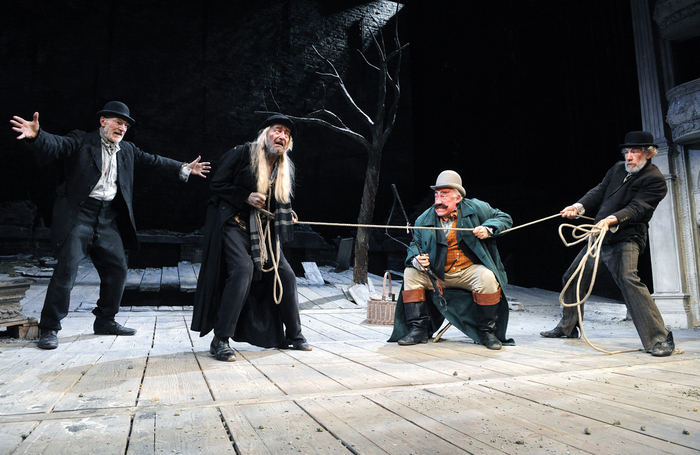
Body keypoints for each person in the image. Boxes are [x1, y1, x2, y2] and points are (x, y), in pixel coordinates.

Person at [10, 101, 210, 350]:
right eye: (118, 122)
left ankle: (105, 320)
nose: (122, 128)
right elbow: (57, 145)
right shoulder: (82, 141)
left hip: (106, 218)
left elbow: (153, 160)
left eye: (125, 125)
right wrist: (38, 135)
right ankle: (49, 328)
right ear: (103, 121)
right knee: (67, 271)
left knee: (118, 268)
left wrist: (183, 168)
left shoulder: (126, 150)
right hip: (79, 214)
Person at [540, 131, 675, 357]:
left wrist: (612, 219)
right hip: (599, 237)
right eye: (627, 152)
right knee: (573, 277)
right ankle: (568, 328)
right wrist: (578, 207)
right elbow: (599, 191)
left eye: (635, 152)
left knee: (628, 280)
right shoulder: (617, 169)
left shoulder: (655, 180)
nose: (629, 157)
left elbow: (638, 208)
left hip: (626, 238)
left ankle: (659, 339)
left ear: (649, 154)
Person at [190, 114, 310, 362]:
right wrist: (245, 196)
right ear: (265, 133)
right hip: (233, 223)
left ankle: (294, 335)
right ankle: (220, 339)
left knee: (286, 275)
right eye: (278, 130)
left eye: (287, 134)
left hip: (263, 230)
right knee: (243, 269)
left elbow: (277, 204)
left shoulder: (283, 167)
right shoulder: (243, 153)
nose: (282, 136)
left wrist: (286, 216)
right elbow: (218, 183)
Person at [388, 170, 513, 350]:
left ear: (458, 198)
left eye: (444, 195)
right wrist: (416, 259)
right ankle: (418, 330)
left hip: (467, 271)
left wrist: (488, 228)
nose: (438, 200)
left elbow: (504, 218)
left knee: (487, 277)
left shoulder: (476, 208)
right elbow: (415, 246)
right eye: (437, 195)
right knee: (410, 273)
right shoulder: (423, 219)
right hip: (436, 273)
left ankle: (487, 332)